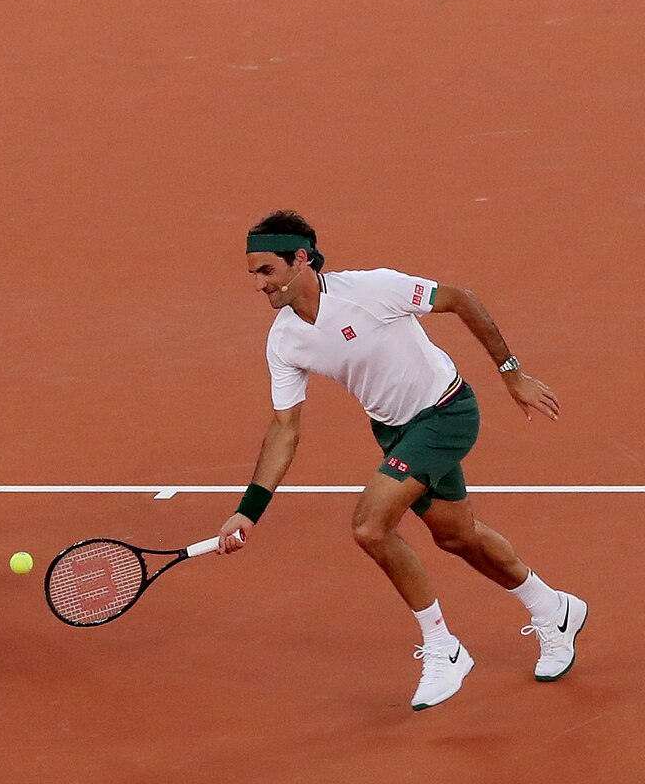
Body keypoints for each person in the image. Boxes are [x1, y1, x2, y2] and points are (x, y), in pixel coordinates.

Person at [217, 210, 587, 710]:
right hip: (393, 431)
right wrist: (249, 509)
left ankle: (443, 647)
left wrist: (512, 374)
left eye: (267, 271)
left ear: (300, 259)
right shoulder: (285, 340)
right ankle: (553, 608)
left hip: (446, 412)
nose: (259, 285)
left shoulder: (370, 291)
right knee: (457, 536)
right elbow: (285, 428)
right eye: (254, 275)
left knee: (370, 527)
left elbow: (460, 299)